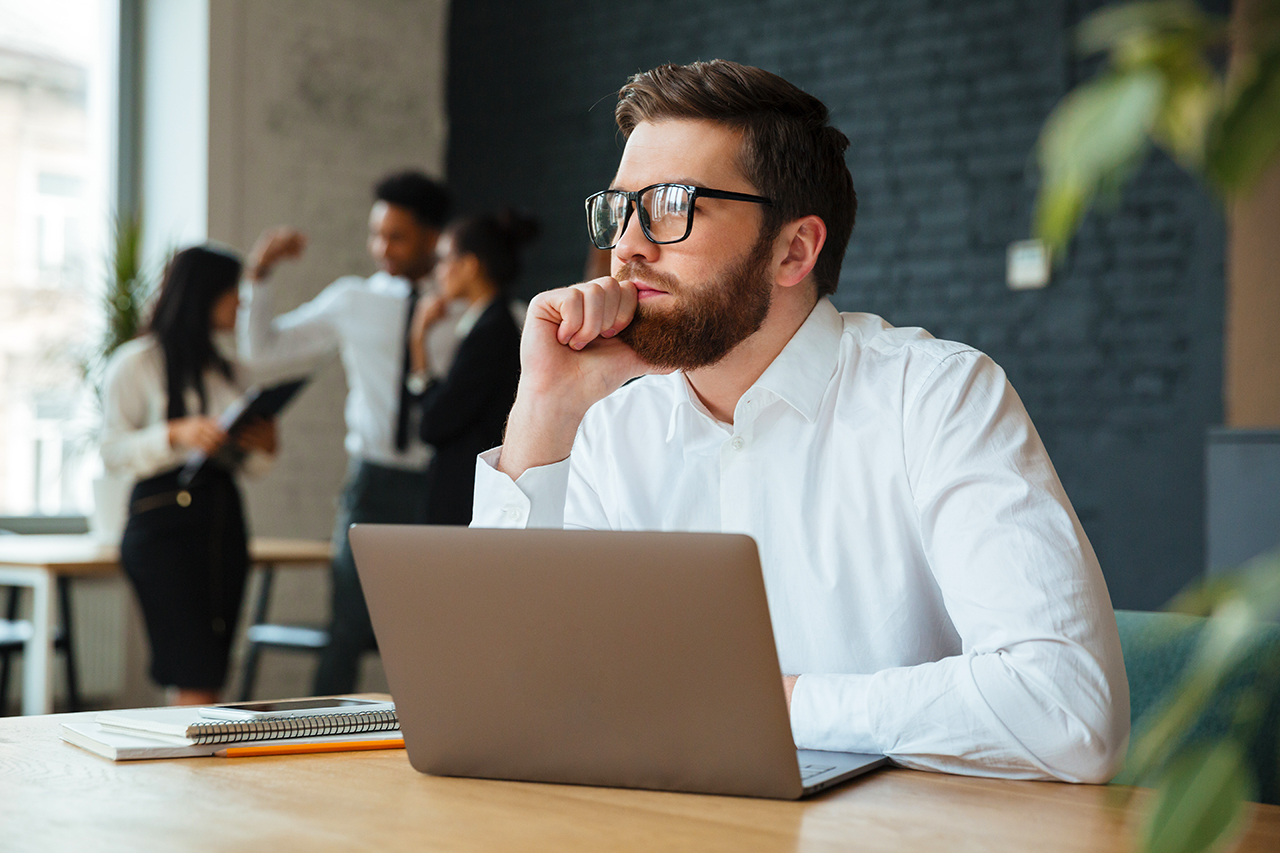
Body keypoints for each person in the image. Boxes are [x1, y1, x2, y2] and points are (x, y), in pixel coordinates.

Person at [471, 60, 1130, 782]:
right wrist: (546, 405)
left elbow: (1068, 708)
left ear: (794, 250)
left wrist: (763, 704)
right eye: (620, 208)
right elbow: (498, 694)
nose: (626, 245)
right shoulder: (606, 425)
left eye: (670, 205)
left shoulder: (935, 397)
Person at [240, 170, 460, 695]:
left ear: (433, 236)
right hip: (372, 484)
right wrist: (259, 276)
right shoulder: (351, 301)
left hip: (443, 486)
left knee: (440, 630)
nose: (381, 248)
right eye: (376, 234)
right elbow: (263, 350)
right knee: (347, 625)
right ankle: (319, 738)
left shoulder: (467, 304)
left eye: (396, 236)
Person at [102, 246, 278, 706]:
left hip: (222, 524)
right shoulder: (136, 362)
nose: (239, 304)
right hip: (163, 526)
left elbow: (252, 469)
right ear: (204, 295)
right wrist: (175, 434)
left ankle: (192, 770)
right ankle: (194, 773)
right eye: (231, 293)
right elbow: (112, 451)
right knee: (194, 669)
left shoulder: (228, 370)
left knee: (213, 670)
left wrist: (264, 447)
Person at [407, 211, 534, 524]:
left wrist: (418, 341)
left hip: (464, 495)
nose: (438, 272)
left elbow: (434, 424)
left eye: (443, 260)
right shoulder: (489, 323)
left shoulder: (491, 331)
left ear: (468, 265)